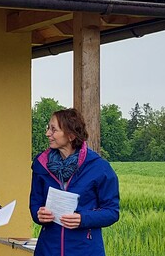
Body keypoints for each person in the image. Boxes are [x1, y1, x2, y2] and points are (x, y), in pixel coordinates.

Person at [29, 108, 119, 256]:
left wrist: (82, 219)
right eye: (48, 128)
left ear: (70, 135)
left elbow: (112, 212)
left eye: (53, 129)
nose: (47, 134)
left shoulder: (99, 167)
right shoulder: (40, 164)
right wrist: (39, 214)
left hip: (85, 250)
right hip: (48, 250)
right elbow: (35, 204)